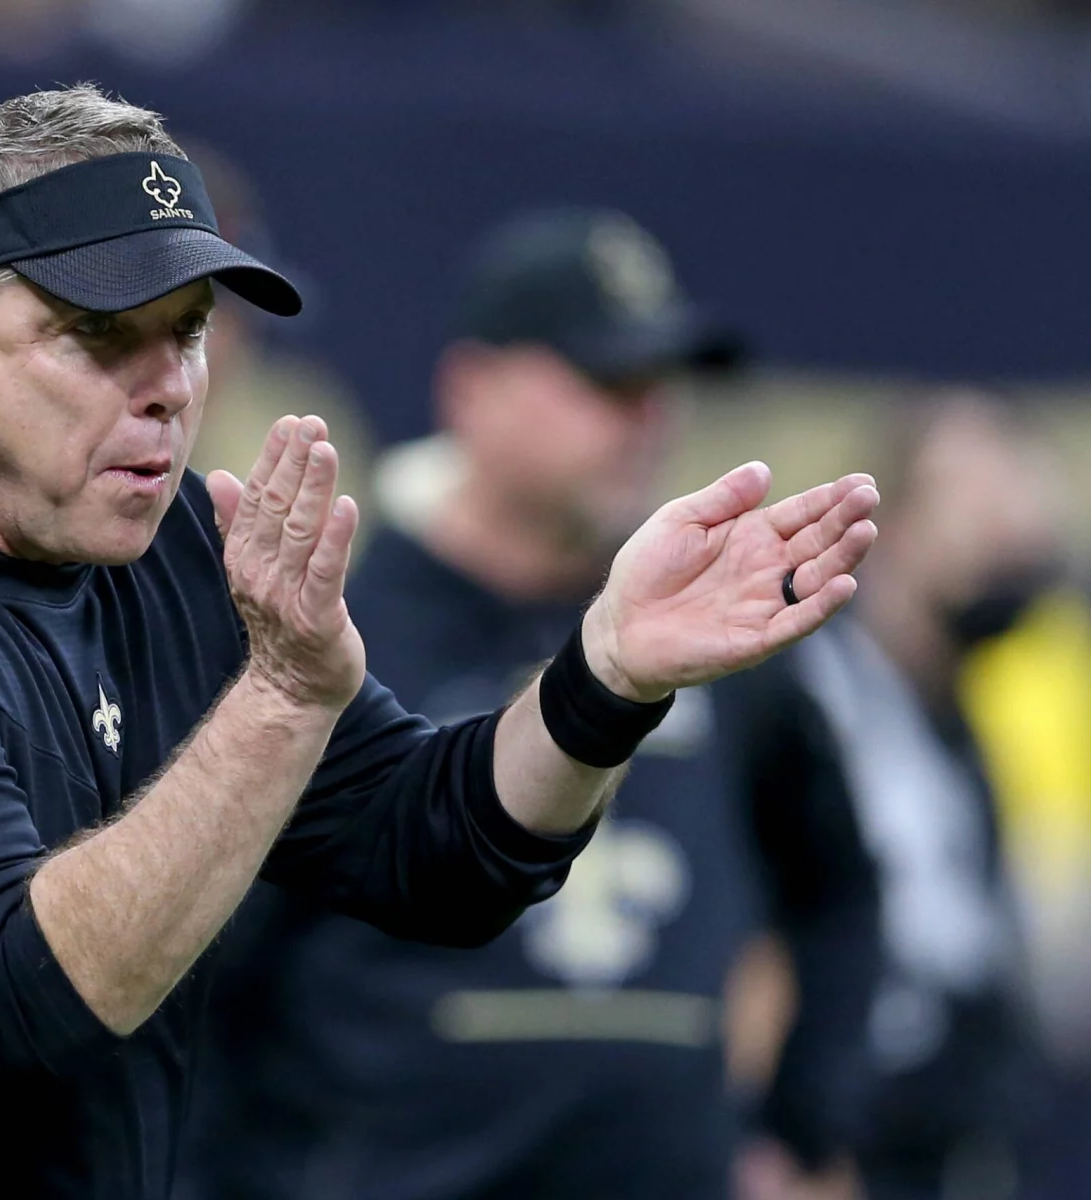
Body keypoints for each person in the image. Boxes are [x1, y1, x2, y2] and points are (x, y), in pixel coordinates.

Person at [0, 85, 879, 1199]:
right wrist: (282, 700)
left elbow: (440, 845)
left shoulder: (160, 551)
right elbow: (26, 992)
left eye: (187, 334)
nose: (168, 388)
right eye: (101, 337)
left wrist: (605, 677)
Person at [182, 209, 881, 1200]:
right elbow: (209, 960)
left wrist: (806, 1128)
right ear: (474, 389)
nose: (649, 419)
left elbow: (839, 886)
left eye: (663, 385)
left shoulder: (713, 636)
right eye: (607, 383)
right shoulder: (333, 628)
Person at [789, 395, 1058, 1200]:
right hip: (842, 1155)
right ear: (895, 527)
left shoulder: (959, 715)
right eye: (976, 506)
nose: (1007, 538)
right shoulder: (809, 700)